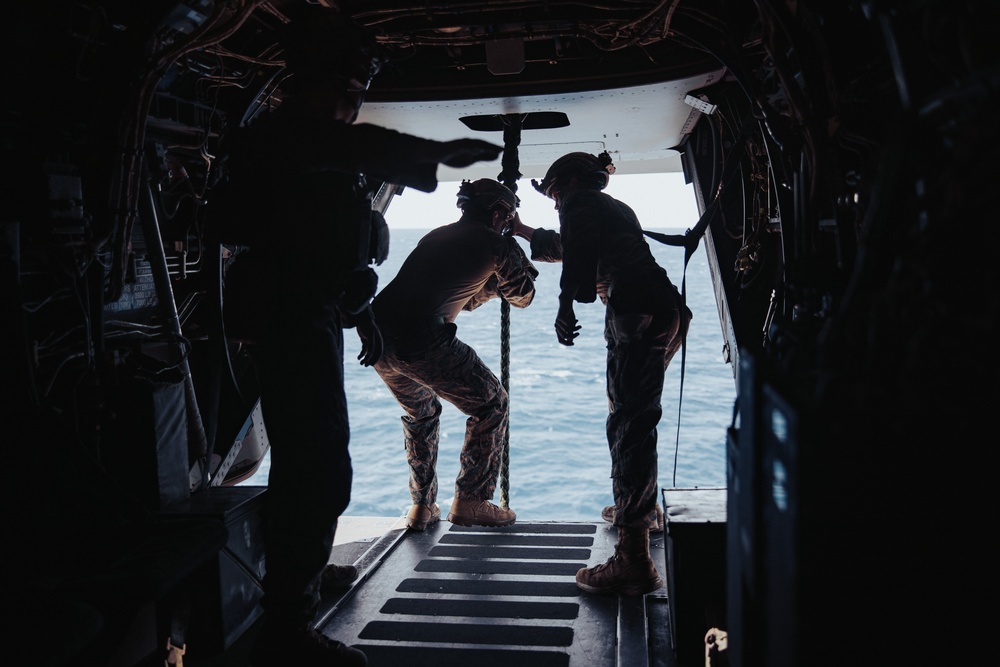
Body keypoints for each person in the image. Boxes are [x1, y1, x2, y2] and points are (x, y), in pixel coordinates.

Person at [217, 8, 504, 666]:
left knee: (313, 462)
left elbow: (327, 241)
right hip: (288, 319)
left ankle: (302, 578)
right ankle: (286, 629)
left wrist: (362, 311)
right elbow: (335, 152)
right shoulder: (287, 136)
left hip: (311, 312)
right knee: (318, 472)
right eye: (348, 89)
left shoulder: (308, 149)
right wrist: (432, 155)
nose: (353, 104)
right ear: (314, 82)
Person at [512, 151, 692, 596]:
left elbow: (580, 253)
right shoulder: (612, 208)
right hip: (666, 311)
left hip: (634, 313)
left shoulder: (580, 203)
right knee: (638, 415)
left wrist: (564, 302)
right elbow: (571, 246)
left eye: (555, 194)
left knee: (629, 426)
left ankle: (632, 559)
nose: (555, 203)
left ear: (570, 182)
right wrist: (520, 230)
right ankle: (639, 511)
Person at [370, 179, 538, 532]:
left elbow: (464, 297)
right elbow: (523, 297)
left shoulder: (437, 235)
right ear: (498, 215)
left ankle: (421, 507)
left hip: (379, 338)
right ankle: (471, 500)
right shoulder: (497, 245)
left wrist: (490, 285)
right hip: (423, 339)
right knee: (491, 404)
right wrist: (514, 258)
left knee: (422, 412)